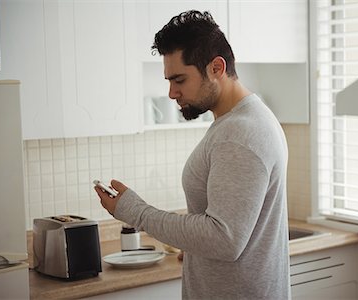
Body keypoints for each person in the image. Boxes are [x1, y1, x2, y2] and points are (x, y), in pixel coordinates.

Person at [95, 10, 290, 300]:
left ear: (216, 68)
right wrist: (196, 249)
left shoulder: (239, 134)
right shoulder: (241, 120)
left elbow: (224, 239)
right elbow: (226, 232)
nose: (172, 93)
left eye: (180, 80)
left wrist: (135, 211)